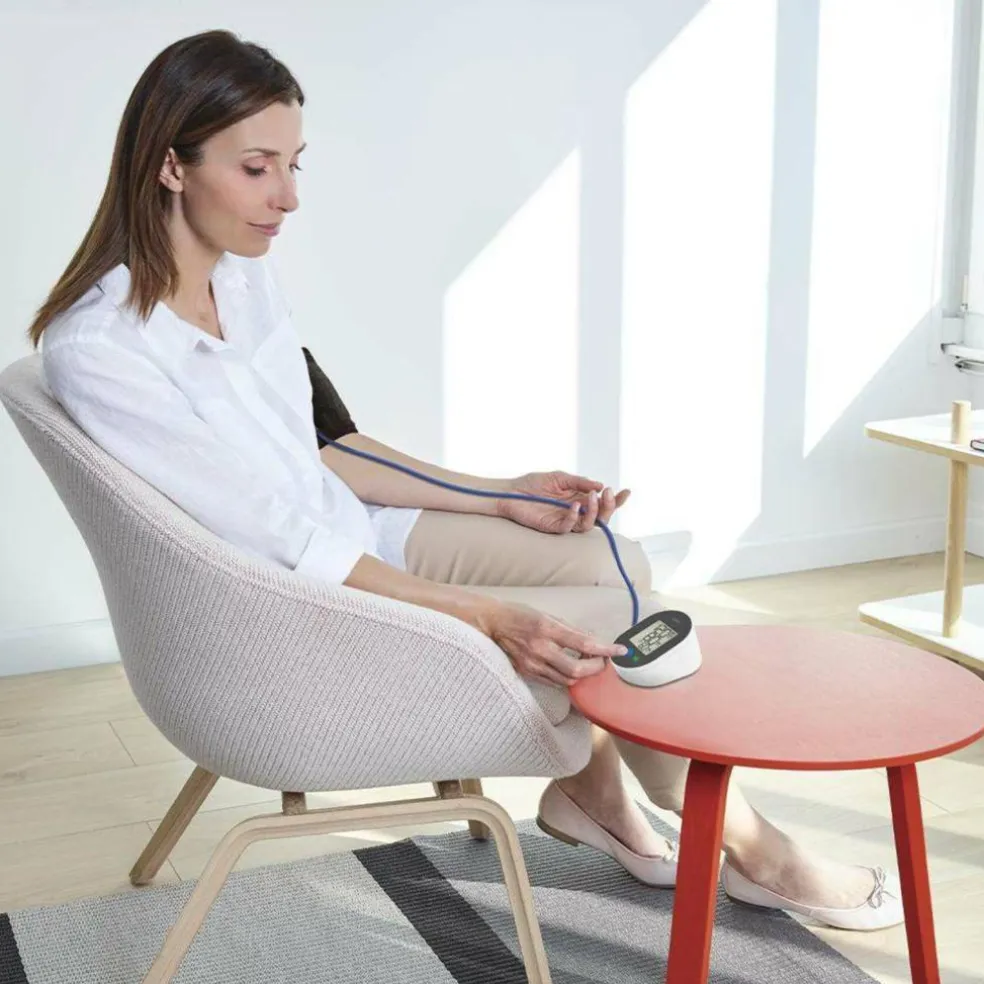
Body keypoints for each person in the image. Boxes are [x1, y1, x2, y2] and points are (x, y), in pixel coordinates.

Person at [29, 29, 901, 932]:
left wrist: (502, 495)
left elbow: (326, 449)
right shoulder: (103, 349)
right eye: (257, 169)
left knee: (614, 558)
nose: (288, 197)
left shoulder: (244, 280)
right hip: (296, 609)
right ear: (171, 165)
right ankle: (757, 850)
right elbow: (274, 537)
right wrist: (484, 614)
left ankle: (595, 792)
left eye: (294, 163)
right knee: (612, 625)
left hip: (355, 536)